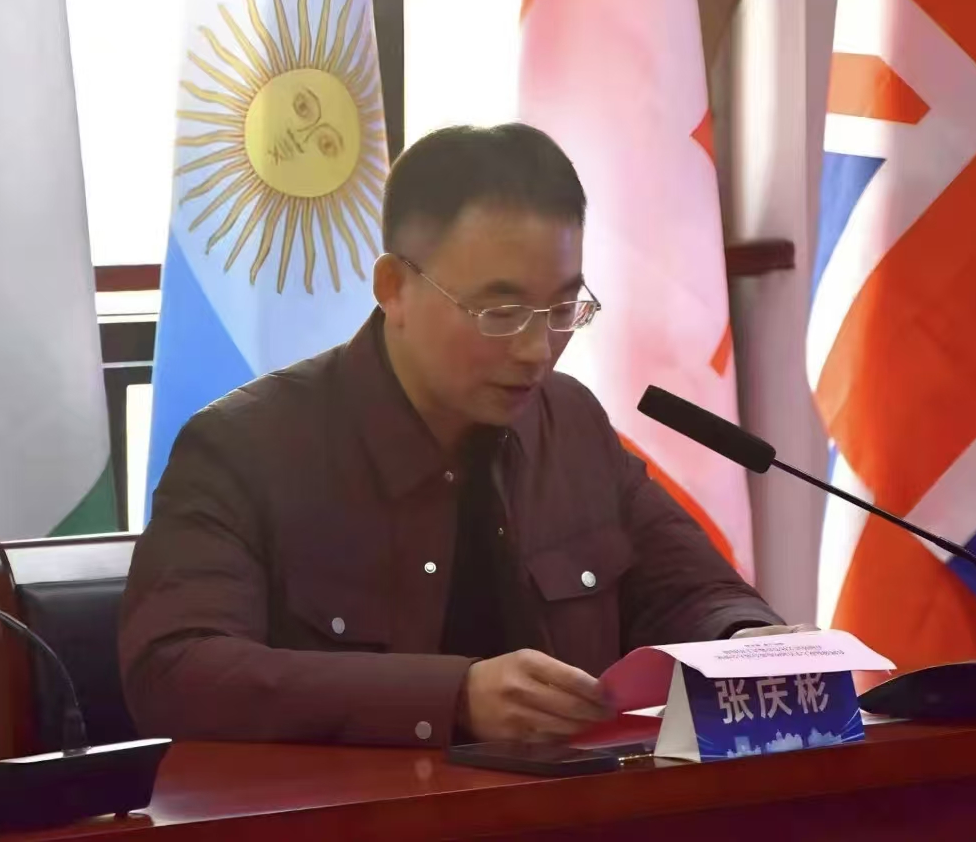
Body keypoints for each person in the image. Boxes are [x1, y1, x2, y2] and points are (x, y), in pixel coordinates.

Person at [119, 123, 784, 747]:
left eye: (562, 309)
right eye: (500, 311)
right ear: (393, 288)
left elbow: (692, 591)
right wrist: (450, 697)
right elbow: (175, 670)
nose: (536, 350)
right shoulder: (246, 449)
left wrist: (753, 644)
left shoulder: (569, 422)